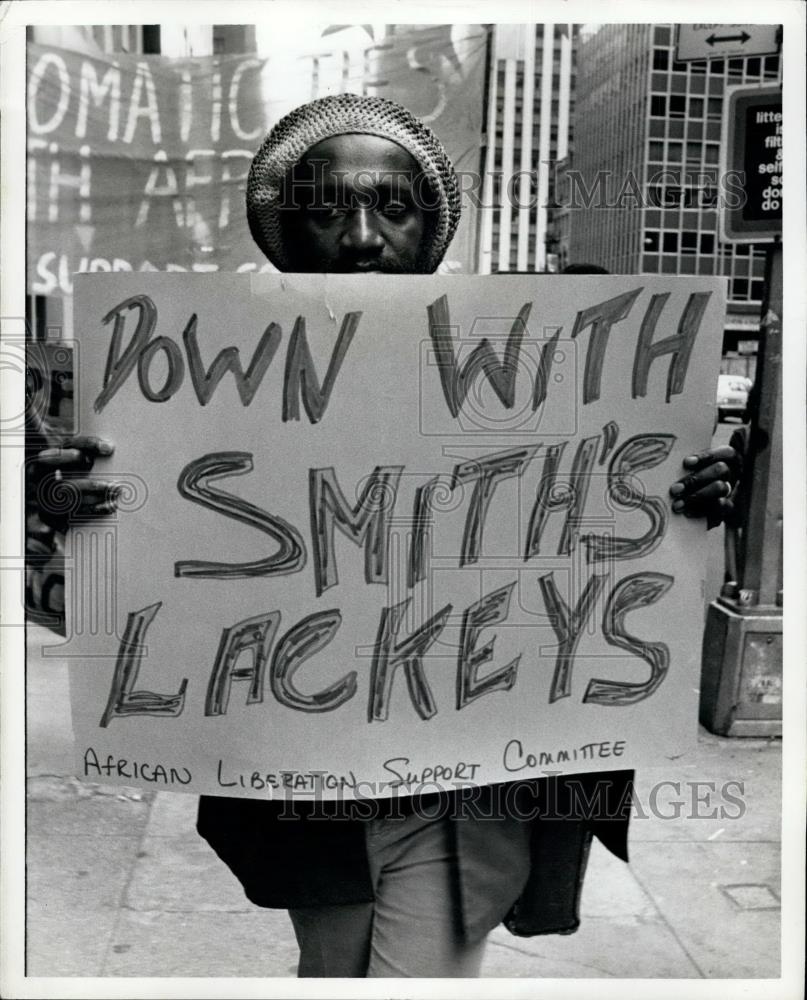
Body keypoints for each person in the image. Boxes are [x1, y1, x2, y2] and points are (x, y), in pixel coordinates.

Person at [30, 93, 740, 978]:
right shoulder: (191, 384)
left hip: (473, 781)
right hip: (299, 781)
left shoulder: (534, 358)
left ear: (432, 225)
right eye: (325, 210)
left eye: (392, 208)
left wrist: (689, 506)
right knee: (334, 971)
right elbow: (108, 619)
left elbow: (615, 541)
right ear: (279, 234)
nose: (363, 237)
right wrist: (71, 526)